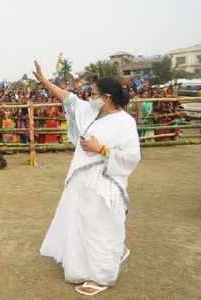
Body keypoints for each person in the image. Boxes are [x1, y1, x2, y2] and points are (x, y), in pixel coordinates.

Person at [33, 61, 141, 296]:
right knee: (80, 222)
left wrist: (100, 148)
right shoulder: (92, 112)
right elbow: (68, 98)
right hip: (81, 181)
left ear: (108, 97)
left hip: (104, 183)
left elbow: (132, 157)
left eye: (94, 94)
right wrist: (45, 82)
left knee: (99, 227)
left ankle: (103, 275)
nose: (90, 97)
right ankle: (82, 267)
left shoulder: (125, 122)